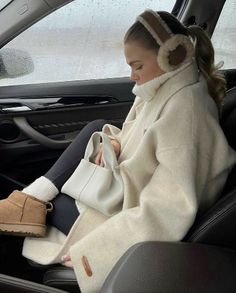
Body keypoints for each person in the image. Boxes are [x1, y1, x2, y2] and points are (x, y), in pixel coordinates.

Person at [0, 9, 236, 293]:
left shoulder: (185, 112)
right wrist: (115, 142)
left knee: (47, 210)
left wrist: (99, 252)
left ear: (172, 55)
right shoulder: (162, 88)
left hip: (127, 210)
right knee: (98, 127)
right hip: (124, 187)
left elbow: (168, 209)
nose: (132, 76)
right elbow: (140, 135)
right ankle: (26, 202)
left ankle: (26, 205)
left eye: (137, 66)